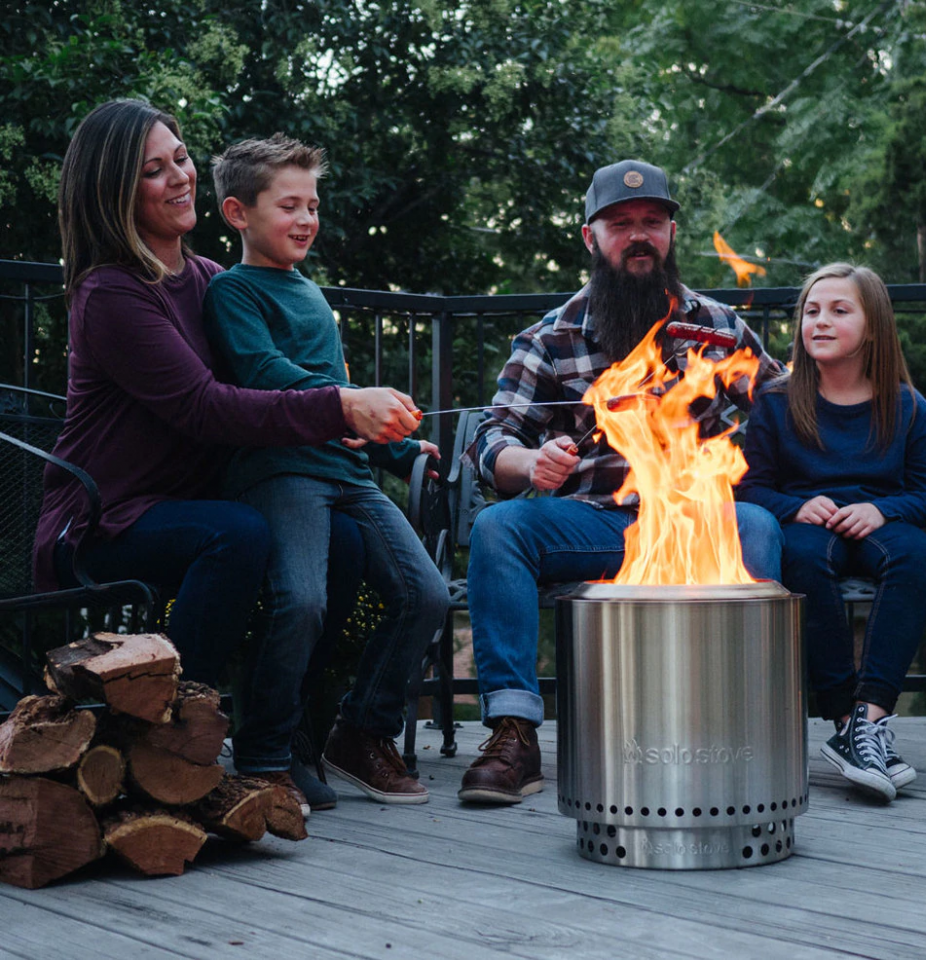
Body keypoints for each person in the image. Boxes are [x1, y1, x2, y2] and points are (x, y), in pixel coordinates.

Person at [35, 98, 421, 811]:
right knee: (237, 534)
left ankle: (287, 732)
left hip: (189, 503)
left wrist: (384, 436)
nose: (179, 177)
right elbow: (206, 409)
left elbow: (274, 385)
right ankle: (174, 735)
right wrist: (340, 405)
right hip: (106, 520)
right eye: (153, 170)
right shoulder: (112, 294)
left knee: (341, 540)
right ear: (115, 191)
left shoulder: (213, 280)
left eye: (179, 157)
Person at [458, 159, 786, 805]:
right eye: (620, 224)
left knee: (758, 527)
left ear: (669, 233)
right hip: (594, 521)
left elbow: (788, 411)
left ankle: (739, 725)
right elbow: (491, 438)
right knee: (498, 528)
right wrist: (529, 463)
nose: (639, 235)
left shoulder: (720, 329)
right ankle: (515, 733)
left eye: (652, 222)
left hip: (697, 519)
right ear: (590, 237)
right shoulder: (550, 338)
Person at [203, 133, 450, 805]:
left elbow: (332, 388)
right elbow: (266, 375)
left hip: (348, 477)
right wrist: (347, 406)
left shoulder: (310, 292)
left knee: (424, 593)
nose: (307, 219)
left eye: (313, 205)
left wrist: (399, 448)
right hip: (282, 474)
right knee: (303, 601)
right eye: (289, 206)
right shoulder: (234, 293)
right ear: (237, 213)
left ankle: (360, 730)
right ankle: (264, 752)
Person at [737, 263, 926, 803]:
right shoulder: (776, 402)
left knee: (917, 555)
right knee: (800, 559)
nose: (820, 322)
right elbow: (750, 489)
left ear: (872, 327)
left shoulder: (905, 405)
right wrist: (797, 506)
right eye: (811, 311)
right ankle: (844, 720)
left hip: (880, 526)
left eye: (839, 311)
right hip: (810, 528)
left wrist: (881, 510)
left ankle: (868, 719)